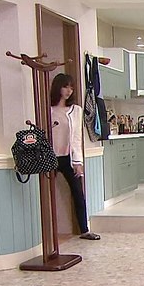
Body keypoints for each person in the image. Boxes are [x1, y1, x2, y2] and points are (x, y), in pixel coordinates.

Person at [50, 73, 100, 240]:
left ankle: (85, 230)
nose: (69, 91)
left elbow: (77, 138)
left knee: (78, 193)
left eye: (71, 88)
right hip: (50, 157)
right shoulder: (47, 110)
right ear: (58, 87)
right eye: (65, 87)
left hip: (68, 158)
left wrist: (78, 162)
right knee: (45, 194)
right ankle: (47, 234)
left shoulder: (76, 110)